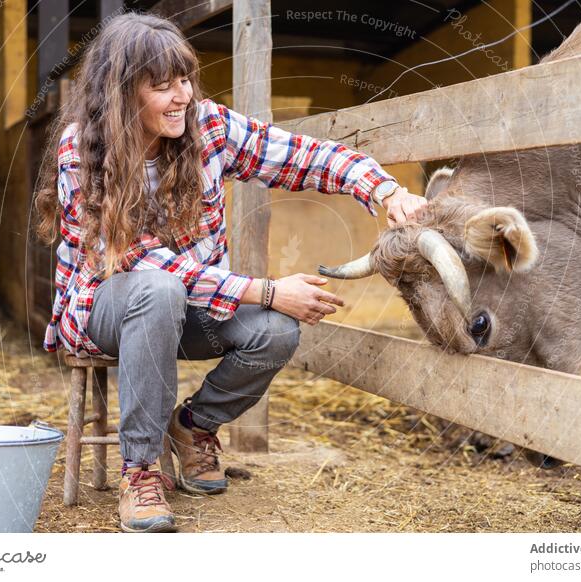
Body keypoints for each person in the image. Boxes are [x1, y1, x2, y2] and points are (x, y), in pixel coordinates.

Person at [33, 12, 428, 533]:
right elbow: (135, 258)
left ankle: (193, 426)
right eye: (162, 86)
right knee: (158, 286)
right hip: (108, 308)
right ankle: (141, 470)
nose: (182, 96)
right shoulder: (83, 148)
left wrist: (383, 190)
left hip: (191, 304)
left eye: (185, 79)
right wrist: (263, 289)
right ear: (123, 92)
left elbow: (301, 156)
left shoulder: (207, 125)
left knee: (276, 329)